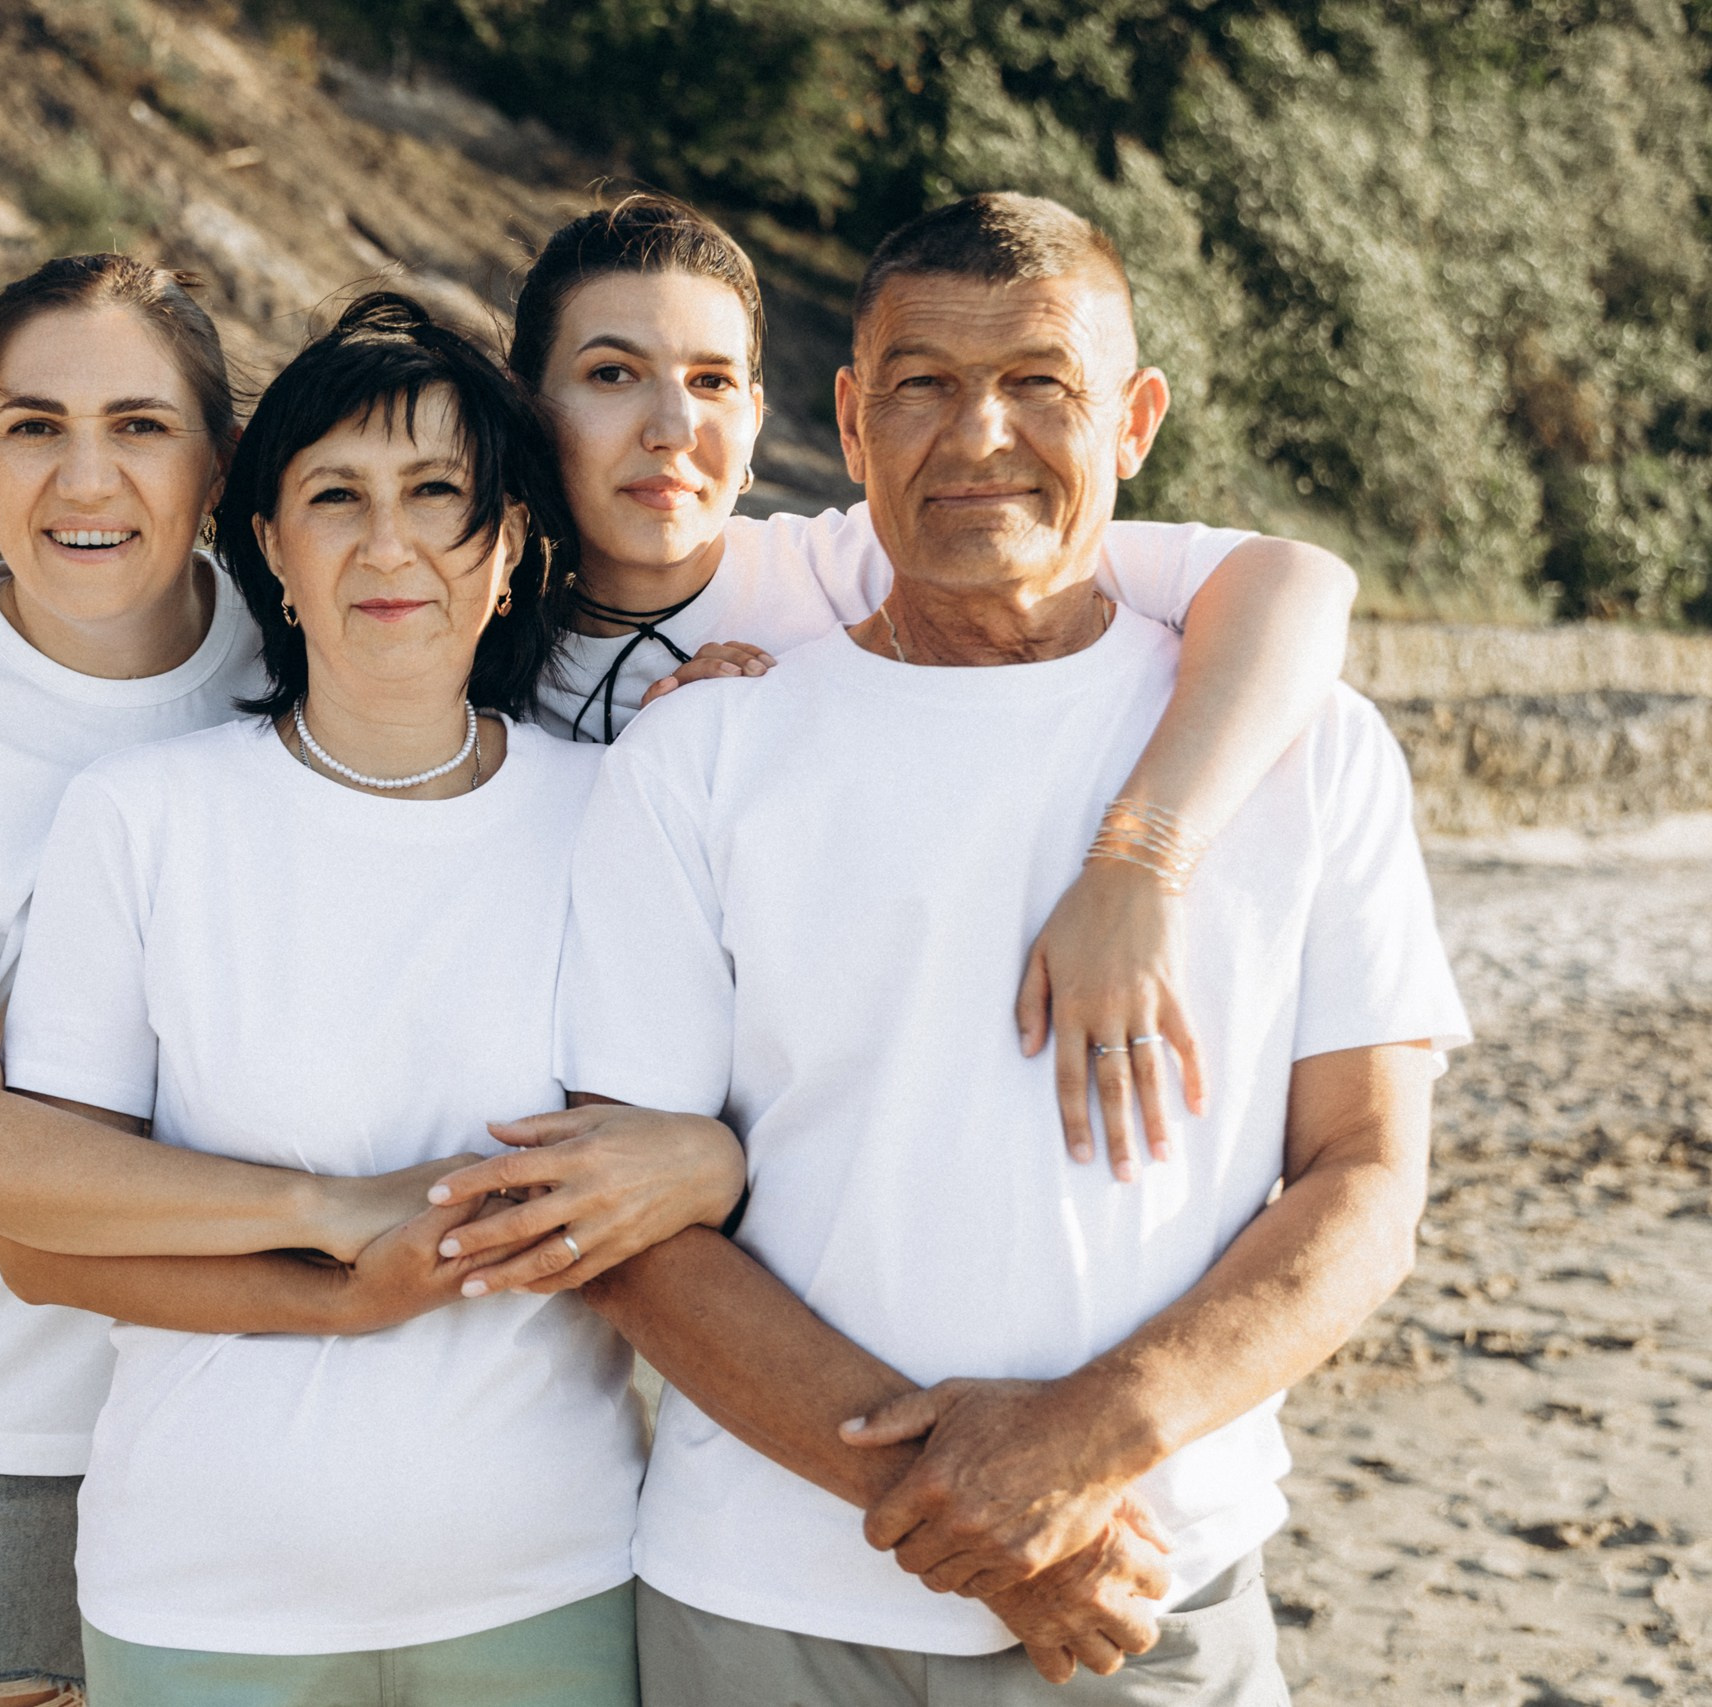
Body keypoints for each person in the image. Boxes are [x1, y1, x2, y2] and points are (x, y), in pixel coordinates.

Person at [552, 192, 1472, 1704]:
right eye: (922, 384)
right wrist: (1003, 1522)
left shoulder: (1307, 748)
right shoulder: (701, 754)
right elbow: (637, 1230)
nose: (979, 434)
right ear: (851, 425)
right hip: (759, 1597)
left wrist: (1089, 1441)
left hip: (1152, 1589)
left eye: (1041, 383)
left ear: (1135, 420)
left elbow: (1368, 1180)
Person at [0, 294, 742, 1706]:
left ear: (511, 542)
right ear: (271, 546)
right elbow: (42, 1245)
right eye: (337, 496)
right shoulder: (144, 819)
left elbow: (699, 1149)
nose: (389, 544)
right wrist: (340, 1284)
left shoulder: (622, 807)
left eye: (436, 494)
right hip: (204, 1589)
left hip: (552, 1580)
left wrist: (710, 1154)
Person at [0, 257, 469, 1707]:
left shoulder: (313, 626)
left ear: (221, 461)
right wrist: (320, 1214)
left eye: (141, 423)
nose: (85, 475)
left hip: (268, 1406)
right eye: (35, 426)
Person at [493, 194, 1362, 1185]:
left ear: (762, 418)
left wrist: (1141, 858)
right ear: (528, 402)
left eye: (712, 381)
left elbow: (1293, 583)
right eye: (612, 374)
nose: (671, 426)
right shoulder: (440, 611)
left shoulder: (858, 561)